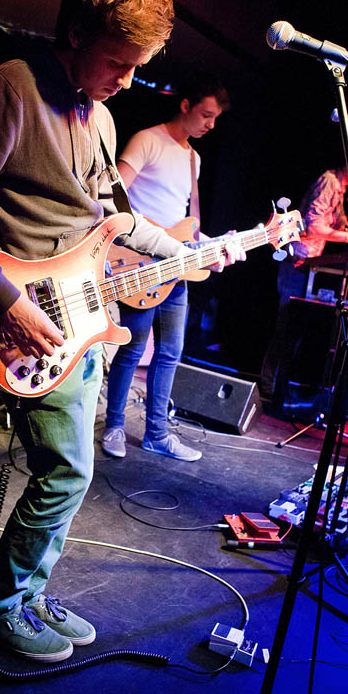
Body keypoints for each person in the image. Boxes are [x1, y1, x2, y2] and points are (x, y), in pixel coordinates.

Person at [0, 0, 244, 664]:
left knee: (72, 470)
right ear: (76, 32)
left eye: (136, 66)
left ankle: (26, 592)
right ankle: (3, 605)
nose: (125, 80)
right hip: (27, 319)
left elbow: (114, 220)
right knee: (65, 473)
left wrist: (200, 251)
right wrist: (5, 300)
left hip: (81, 318)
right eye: (116, 62)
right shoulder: (13, 89)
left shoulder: (100, 116)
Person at [101, 72, 232, 461]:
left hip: (176, 271)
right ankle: (114, 427)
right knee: (132, 350)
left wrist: (213, 246)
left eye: (215, 119)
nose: (210, 124)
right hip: (139, 263)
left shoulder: (195, 158)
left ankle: (157, 433)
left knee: (170, 353)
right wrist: (152, 238)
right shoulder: (147, 140)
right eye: (206, 115)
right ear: (186, 105)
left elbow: (186, 224)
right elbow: (114, 199)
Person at [260, 147, 348, 402]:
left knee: (294, 329)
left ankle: (279, 388)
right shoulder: (328, 181)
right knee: (286, 327)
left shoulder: (342, 191)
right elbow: (314, 225)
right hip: (297, 261)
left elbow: (335, 227)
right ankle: (269, 388)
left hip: (309, 263)